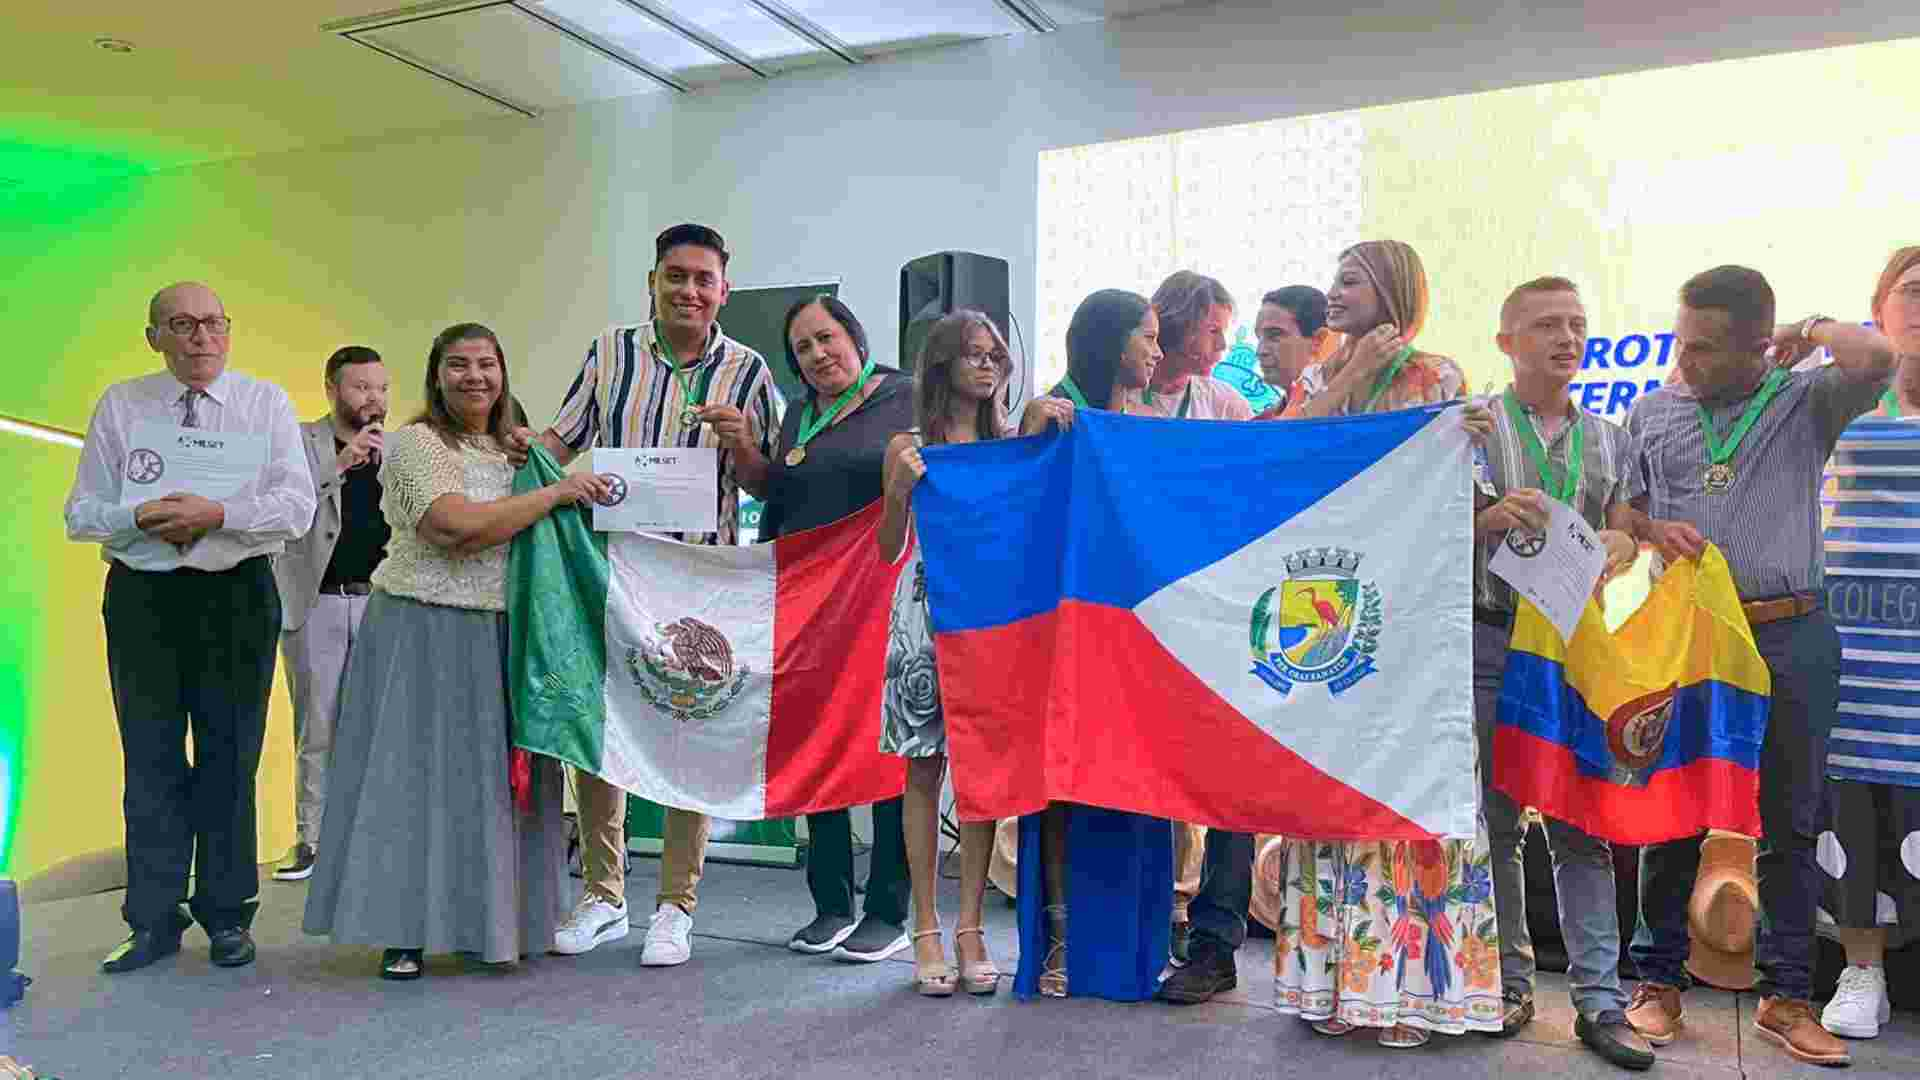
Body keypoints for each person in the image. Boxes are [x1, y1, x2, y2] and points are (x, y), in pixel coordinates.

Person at [1617, 266, 1895, 1067]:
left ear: (1756, 346)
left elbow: (1875, 359)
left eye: (1705, 348)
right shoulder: (1653, 411)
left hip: (1792, 633)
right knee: (1672, 809)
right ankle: (1657, 982)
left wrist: (1806, 330)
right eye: (1680, 341)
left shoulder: (1804, 400)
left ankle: (1786, 996)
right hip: (1690, 632)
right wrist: (1650, 526)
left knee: (1793, 819)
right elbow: (1623, 508)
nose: (1686, 360)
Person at [510, 223, 780, 968]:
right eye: (675, 276)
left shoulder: (750, 370)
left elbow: (769, 482)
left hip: (703, 581)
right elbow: (558, 447)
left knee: (690, 731)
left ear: (723, 289)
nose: (688, 290)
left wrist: (745, 448)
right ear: (653, 283)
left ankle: (676, 907)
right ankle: (604, 896)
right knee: (605, 728)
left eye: (703, 279)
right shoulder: (610, 352)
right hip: (617, 574)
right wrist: (505, 442)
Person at [303, 323, 605, 980]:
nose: (474, 377)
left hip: (505, 635)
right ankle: (402, 933)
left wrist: (568, 483)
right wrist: (554, 491)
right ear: (436, 375)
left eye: (487, 364)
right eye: (458, 365)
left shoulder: (518, 449)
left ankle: (492, 927)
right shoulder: (415, 444)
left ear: (504, 372)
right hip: (422, 629)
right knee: (411, 783)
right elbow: (451, 528)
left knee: (498, 791)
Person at [1266, 240, 1496, 1047]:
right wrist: (1351, 375)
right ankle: (1331, 988)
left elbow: (1453, 495)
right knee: (1330, 785)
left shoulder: (1438, 377)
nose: (1333, 292)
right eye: (1332, 277)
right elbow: (1285, 458)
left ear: (1394, 290)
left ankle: (1415, 993)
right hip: (1332, 610)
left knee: (1411, 785)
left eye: (1351, 279)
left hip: (1415, 621)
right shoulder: (1317, 382)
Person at [64, 282, 316, 972]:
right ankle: (152, 919)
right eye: (181, 325)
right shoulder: (122, 404)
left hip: (234, 595)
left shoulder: (265, 403)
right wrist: (138, 517)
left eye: (212, 324)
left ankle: (228, 915)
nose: (200, 338)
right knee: (148, 759)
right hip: (144, 596)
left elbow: (294, 507)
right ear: (154, 337)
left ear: (229, 331)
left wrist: (218, 516)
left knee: (229, 759)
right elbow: (81, 512)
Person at [1472, 276, 1660, 1069]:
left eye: (1578, 325)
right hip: (1487, 640)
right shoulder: (1471, 428)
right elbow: (1416, 534)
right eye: (1546, 324)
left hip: (1578, 650)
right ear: (1507, 341)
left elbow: (1625, 544)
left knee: (1585, 826)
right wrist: (1481, 521)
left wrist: (1621, 547)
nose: (1567, 338)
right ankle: (1509, 986)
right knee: (1498, 823)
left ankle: (1600, 1003)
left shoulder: (1614, 439)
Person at [877, 310, 1073, 996]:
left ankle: (970, 929)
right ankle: (925, 927)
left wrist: (1045, 426)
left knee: (987, 766)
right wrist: (898, 491)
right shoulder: (908, 443)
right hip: (924, 608)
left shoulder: (1011, 443)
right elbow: (883, 548)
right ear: (943, 367)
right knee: (923, 771)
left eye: (995, 356)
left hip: (995, 617)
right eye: (973, 356)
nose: (989, 367)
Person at [1020, 288, 1174, 1002]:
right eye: (1146, 336)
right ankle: (1059, 942)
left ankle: (1137, 944)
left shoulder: (1145, 422)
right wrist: (1025, 439)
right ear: (1111, 341)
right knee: (1061, 787)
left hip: (1137, 632)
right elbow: (1015, 502)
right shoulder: (1052, 411)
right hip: (1060, 626)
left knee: (1137, 781)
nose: (1156, 350)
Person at [758, 295, 917, 962]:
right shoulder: (798, 412)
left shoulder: (906, 397)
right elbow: (781, 495)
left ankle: (887, 910)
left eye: (827, 338)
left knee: (884, 746)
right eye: (802, 348)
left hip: (883, 593)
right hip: (808, 606)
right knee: (816, 744)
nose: (818, 355)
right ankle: (830, 905)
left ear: (855, 334)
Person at [1815, 246, 1920, 1040]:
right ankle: (1862, 974)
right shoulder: (1842, 409)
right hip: (1852, 657)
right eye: (1909, 292)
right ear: (1879, 309)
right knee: (1849, 820)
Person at [1137, 271, 1251, 965]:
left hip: (1215, 616)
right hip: (1142, 617)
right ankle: (1152, 913)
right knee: (1149, 774)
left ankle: (1214, 932)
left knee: (1226, 780)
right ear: (1177, 324)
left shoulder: (1225, 404)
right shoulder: (1122, 401)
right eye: (1213, 328)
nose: (1223, 342)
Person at [270, 346, 391, 882]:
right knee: (317, 727)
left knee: (380, 725)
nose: (374, 398)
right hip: (315, 600)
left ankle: (373, 838)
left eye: (381, 388)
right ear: (332, 388)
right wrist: (340, 464)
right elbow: (282, 507)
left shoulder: (399, 448)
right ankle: (312, 840)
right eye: (361, 387)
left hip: (381, 601)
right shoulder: (300, 441)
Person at [1282, 241, 1467, 418]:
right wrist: (1355, 370)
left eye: (1348, 282)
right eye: (1334, 284)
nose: (1331, 294)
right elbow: (1283, 442)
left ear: (1390, 289)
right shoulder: (1315, 378)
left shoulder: (1439, 375)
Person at [1253, 286, 1332, 416]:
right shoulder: (1260, 422)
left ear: (1318, 340)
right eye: (1258, 337)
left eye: (1274, 336)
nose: (1260, 351)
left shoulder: (1348, 409)